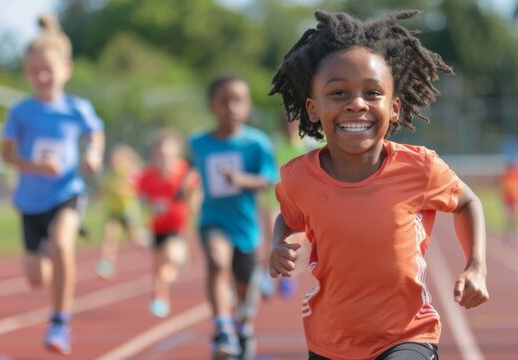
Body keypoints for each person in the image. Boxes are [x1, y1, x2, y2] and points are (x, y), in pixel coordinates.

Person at [267, 10, 489, 360]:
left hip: (407, 335)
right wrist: (280, 243)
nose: (357, 104)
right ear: (312, 108)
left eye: (372, 93)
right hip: (330, 341)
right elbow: (292, 219)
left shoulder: (420, 168)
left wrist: (475, 264)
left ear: (395, 107)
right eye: (338, 93)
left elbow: (466, 202)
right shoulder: (299, 177)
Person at [0, 14, 104, 355]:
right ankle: (44, 250)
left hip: (66, 192)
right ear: (27, 72)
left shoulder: (77, 108)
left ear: (66, 69)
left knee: (62, 247)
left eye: (48, 69)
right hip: (30, 201)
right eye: (34, 71)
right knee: (36, 278)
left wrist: (93, 154)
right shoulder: (21, 112)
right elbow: (6, 155)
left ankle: (59, 322)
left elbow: (95, 135)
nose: (42, 77)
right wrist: (34, 165)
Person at [187, 73, 278, 359]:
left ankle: (243, 327)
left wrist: (240, 179)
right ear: (211, 106)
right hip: (212, 220)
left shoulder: (257, 144)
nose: (232, 108)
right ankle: (222, 327)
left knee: (244, 289)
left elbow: (268, 181)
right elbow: (190, 170)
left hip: (246, 227)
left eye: (238, 101)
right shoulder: (199, 142)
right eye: (224, 102)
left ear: (248, 105)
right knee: (216, 260)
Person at [137, 128, 197, 318]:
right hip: (156, 228)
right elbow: (140, 203)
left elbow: (194, 196)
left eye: (168, 155)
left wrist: (191, 203)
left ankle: (180, 259)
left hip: (177, 228)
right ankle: (160, 298)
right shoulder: (147, 177)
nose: (164, 159)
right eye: (160, 154)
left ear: (175, 154)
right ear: (154, 155)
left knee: (169, 260)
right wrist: (137, 227)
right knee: (157, 268)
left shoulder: (184, 174)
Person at [259, 113, 315, 300]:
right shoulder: (273, 144)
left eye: (294, 126)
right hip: (274, 198)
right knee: (272, 238)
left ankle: (289, 275)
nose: (290, 130)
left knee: (299, 242)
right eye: (287, 126)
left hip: (300, 200)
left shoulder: (309, 144)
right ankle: (267, 275)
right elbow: (264, 167)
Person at [95, 144, 148, 280]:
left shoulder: (129, 172)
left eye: (117, 160)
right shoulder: (109, 175)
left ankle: (156, 248)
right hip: (113, 211)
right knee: (109, 237)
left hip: (127, 210)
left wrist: (121, 188)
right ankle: (106, 265)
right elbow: (102, 190)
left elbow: (137, 188)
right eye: (113, 160)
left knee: (135, 239)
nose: (114, 162)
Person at [500, 160, 518, 243]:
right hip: (508, 201)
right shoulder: (506, 177)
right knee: (510, 218)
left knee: (514, 218)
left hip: (515, 200)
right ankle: (508, 234)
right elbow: (506, 189)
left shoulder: (516, 177)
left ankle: (512, 234)